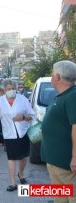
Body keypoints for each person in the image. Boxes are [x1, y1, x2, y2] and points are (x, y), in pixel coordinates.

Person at [0, 79, 35, 192]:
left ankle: (21, 173)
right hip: (9, 133)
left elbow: (32, 115)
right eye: (9, 89)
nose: (12, 91)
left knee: (24, 156)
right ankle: (12, 182)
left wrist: (23, 117)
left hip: (23, 131)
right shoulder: (0, 101)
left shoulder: (23, 99)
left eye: (14, 88)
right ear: (4, 90)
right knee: (11, 157)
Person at [41, 60, 76, 203]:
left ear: (57, 77)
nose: (51, 78)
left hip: (67, 164)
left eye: (51, 74)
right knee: (61, 198)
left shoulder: (73, 96)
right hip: (56, 162)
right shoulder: (64, 95)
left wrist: (75, 156)